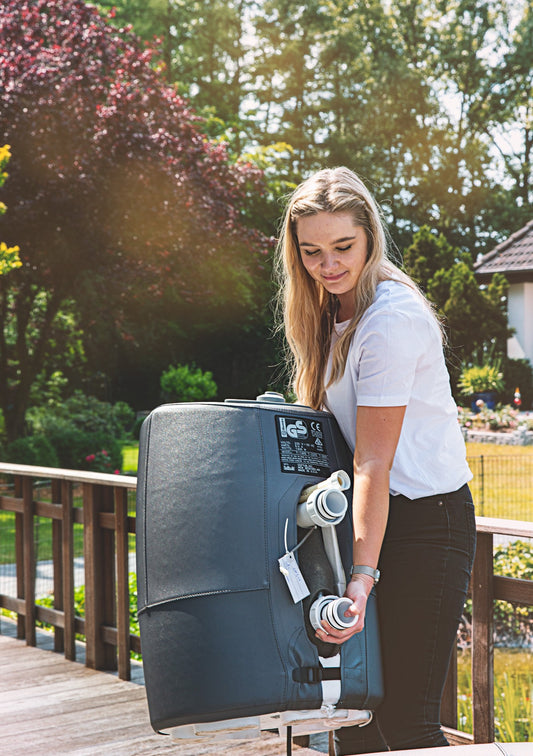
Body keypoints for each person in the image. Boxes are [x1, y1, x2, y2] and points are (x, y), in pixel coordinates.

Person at [275, 166, 476, 753]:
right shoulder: (329, 313)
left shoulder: (388, 319)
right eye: (311, 252)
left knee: (407, 725)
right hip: (369, 519)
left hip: (425, 523)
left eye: (343, 247)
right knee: (357, 722)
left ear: (370, 236)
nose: (328, 264)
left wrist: (362, 579)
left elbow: (372, 463)